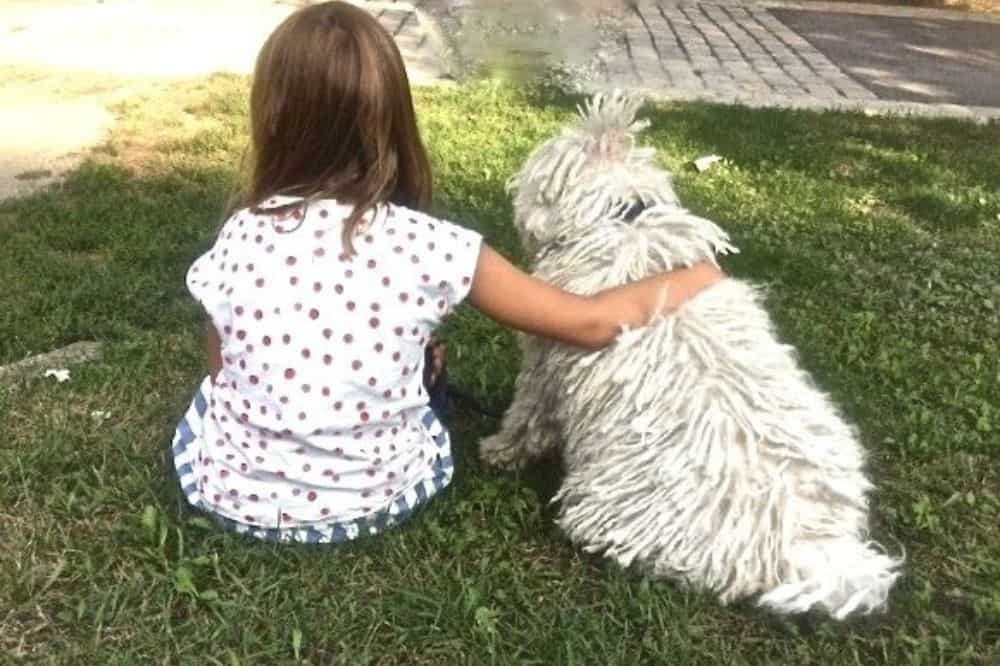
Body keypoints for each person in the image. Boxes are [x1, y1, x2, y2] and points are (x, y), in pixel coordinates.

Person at [171, 1, 723, 544]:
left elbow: (225, 369)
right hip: (374, 499)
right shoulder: (432, 244)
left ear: (271, 119)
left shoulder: (241, 230)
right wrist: (696, 275)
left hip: (233, 498)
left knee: (213, 398)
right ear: (392, 123)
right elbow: (589, 323)